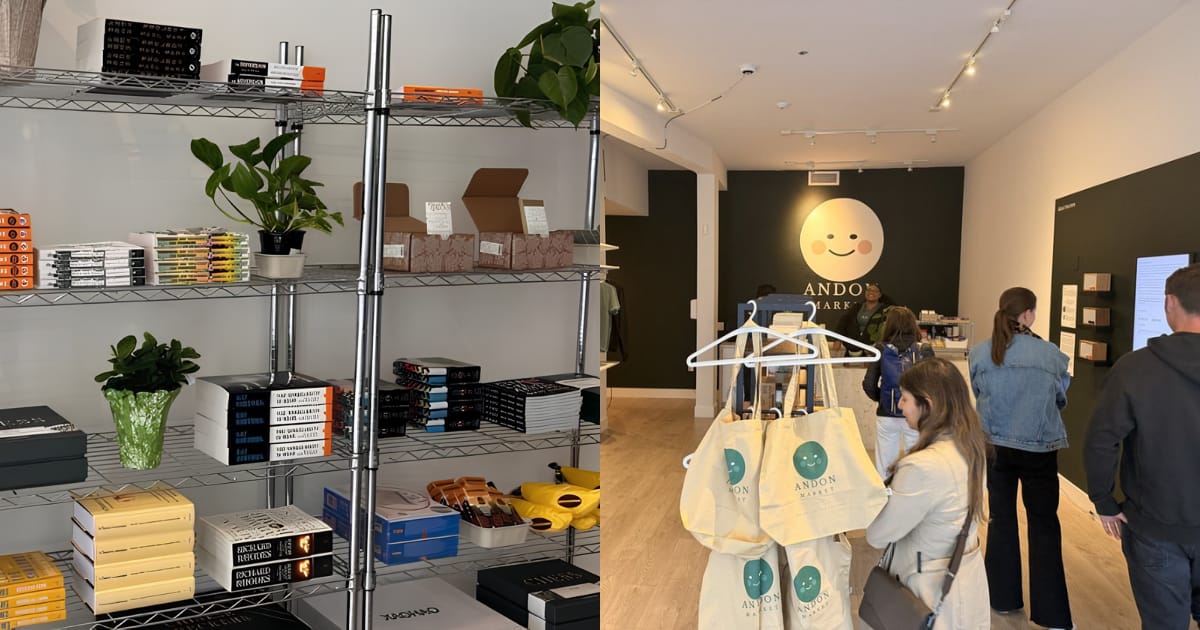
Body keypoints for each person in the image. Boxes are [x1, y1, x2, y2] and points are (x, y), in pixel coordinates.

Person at [1084, 262, 1200, 629]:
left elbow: (1101, 440)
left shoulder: (1134, 369)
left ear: (1169, 303)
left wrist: (1103, 501)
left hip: (1154, 527)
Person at [968, 287, 1072, 629]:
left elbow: (979, 393)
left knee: (1001, 519)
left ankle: (1002, 598)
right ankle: (1053, 615)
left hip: (995, 446)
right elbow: (1060, 397)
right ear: (1028, 314)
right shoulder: (1050, 354)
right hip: (1039, 448)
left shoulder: (981, 353)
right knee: (1044, 525)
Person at [865, 357, 991, 629]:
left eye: (905, 399)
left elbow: (877, 535)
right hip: (965, 578)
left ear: (929, 404)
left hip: (925, 587)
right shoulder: (972, 448)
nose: (900, 406)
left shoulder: (922, 467)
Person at [863, 306, 936, 478]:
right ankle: (912, 491)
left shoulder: (881, 349)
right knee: (917, 462)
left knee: (885, 465)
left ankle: (887, 492)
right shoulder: (924, 349)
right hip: (917, 413)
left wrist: (882, 399)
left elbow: (869, 384)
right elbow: (934, 384)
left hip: (887, 413)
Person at [836, 283, 892, 351]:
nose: (871, 292)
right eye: (869, 290)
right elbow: (843, 322)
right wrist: (838, 340)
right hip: (852, 345)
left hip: (872, 348)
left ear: (880, 295)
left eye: (875, 291)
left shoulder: (885, 310)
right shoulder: (856, 307)